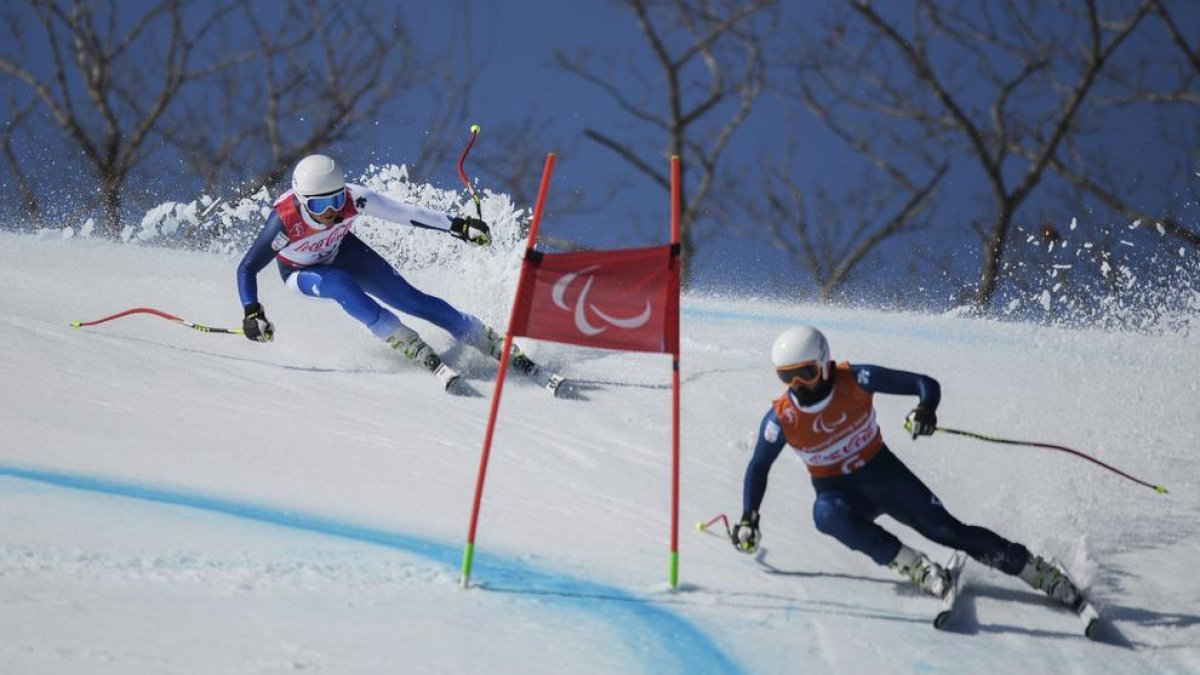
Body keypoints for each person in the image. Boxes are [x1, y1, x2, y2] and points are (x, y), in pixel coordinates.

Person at [732, 324, 1083, 609]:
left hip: (884, 476)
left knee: (947, 532)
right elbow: (759, 466)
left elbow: (924, 384)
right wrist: (749, 517)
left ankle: (1036, 572)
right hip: (840, 495)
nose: (797, 385)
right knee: (825, 515)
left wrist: (925, 409)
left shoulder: (854, 380)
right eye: (786, 377)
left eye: (805, 373)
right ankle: (916, 567)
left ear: (824, 365)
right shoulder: (781, 419)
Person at [236, 153, 556, 394]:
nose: (333, 211)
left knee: (411, 299)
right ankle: (405, 340)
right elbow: (248, 267)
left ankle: (487, 341)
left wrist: (458, 226)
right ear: (304, 203)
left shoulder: (354, 197)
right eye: (322, 207)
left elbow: (406, 214)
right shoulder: (284, 222)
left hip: (343, 252)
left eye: (336, 200)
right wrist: (253, 311)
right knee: (342, 286)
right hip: (302, 272)